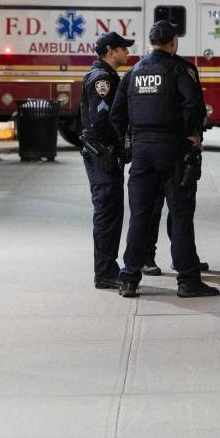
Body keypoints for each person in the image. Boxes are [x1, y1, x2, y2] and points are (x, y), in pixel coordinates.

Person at [110, 20, 220, 298]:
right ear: (173, 43)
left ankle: (129, 279)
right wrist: (189, 134)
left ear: (150, 42)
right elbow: (194, 106)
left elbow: (116, 114)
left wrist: (131, 141)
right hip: (173, 151)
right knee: (181, 216)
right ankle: (187, 280)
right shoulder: (181, 69)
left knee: (140, 217)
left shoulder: (134, 72)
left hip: (142, 154)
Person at [80, 31, 134, 290]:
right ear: (111, 51)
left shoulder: (104, 75)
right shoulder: (102, 79)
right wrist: (121, 142)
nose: (127, 53)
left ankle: (107, 269)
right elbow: (103, 120)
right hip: (103, 154)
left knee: (110, 212)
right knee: (107, 213)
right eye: (124, 49)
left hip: (104, 154)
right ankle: (104, 272)